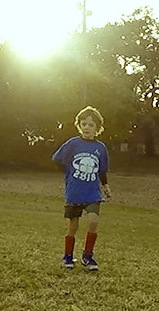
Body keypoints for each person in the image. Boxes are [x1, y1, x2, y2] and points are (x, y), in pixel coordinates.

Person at [52, 106, 111, 271]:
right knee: (73, 226)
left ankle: (88, 256)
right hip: (74, 191)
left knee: (93, 221)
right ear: (79, 125)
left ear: (97, 128)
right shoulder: (73, 143)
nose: (87, 127)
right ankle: (68, 257)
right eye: (84, 124)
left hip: (93, 193)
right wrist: (69, 173)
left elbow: (102, 170)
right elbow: (57, 159)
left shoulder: (100, 148)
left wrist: (105, 186)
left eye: (91, 125)